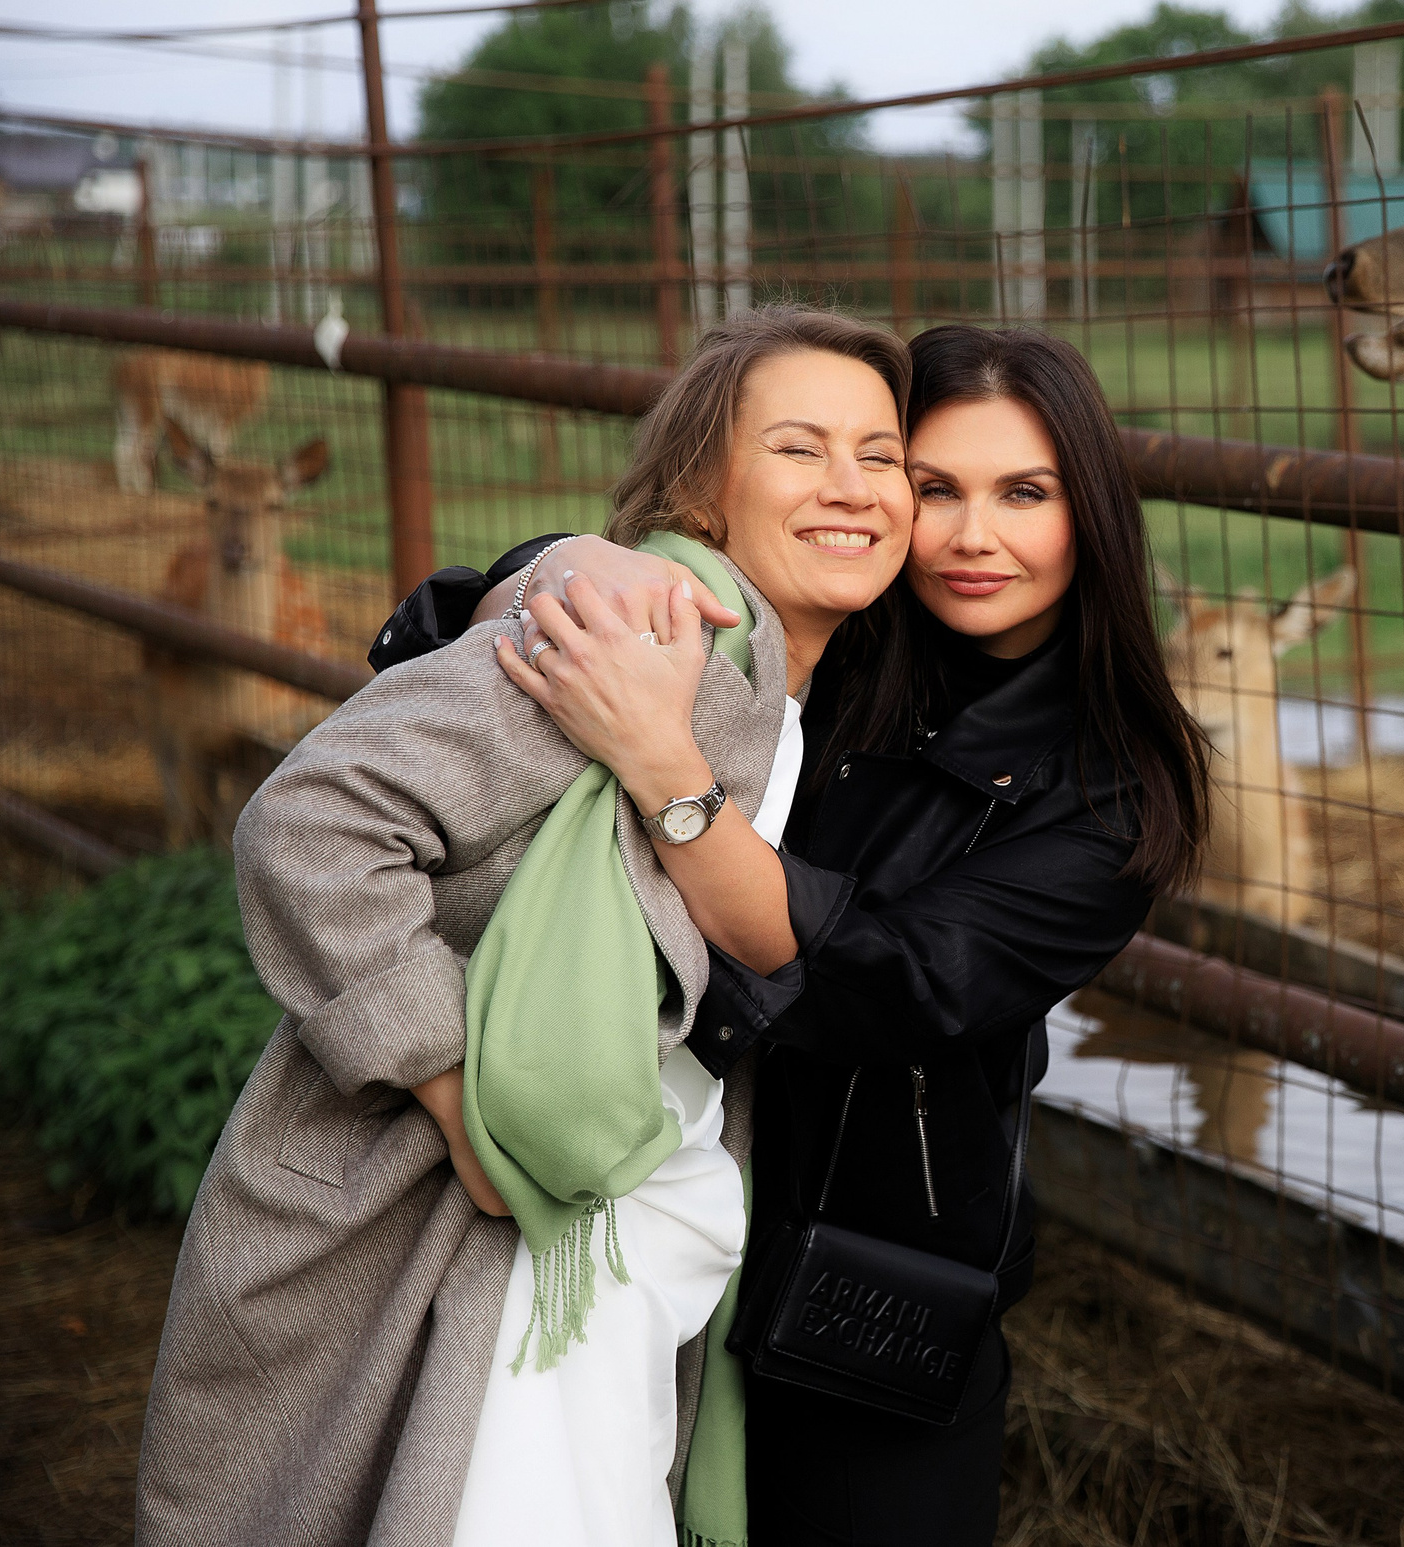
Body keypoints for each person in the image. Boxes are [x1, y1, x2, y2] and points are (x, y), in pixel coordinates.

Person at [373, 324, 1210, 1545]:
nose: (973, 537)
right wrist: (563, 565)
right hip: (623, 1186)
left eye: (1024, 493)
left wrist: (666, 770)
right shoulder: (820, 630)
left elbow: (889, 980)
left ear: (1091, 511)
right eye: (935, 487)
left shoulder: (1109, 787)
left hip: (855, 1266)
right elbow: (442, 631)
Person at [135, 306, 916, 1547]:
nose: (851, 485)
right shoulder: (649, 630)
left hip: (602, 1224)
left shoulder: (778, 682)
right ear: (702, 484)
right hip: (475, 1221)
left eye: (881, 455)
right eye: (797, 447)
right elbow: (313, 820)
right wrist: (451, 1090)